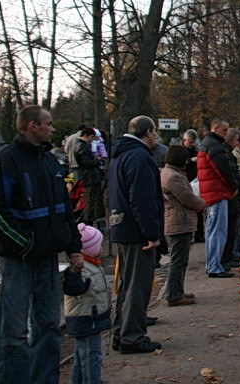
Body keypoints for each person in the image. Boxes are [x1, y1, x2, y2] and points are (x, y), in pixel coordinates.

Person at [0, 105, 84, 384]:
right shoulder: (4, 162)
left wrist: (73, 246)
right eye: (48, 124)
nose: (53, 128)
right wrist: (25, 243)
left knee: (49, 326)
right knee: (13, 332)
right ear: (32, 126)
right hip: (19, 260)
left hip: (47, 258)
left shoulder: (50, 162)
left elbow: (64, 209)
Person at [107, 115, 164, 354]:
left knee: (127, 284)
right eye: (155, 133)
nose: (156, 137)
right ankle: (132, 337)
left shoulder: (120, 155)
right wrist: (151, 233)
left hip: (122, 225)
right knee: (137, 287)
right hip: (136, 231)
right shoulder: (139, 157)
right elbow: (141, 199)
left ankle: (122, 332)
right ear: (148, 131)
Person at [62, 223, 110, 384]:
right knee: (91, 356)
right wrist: (75, 273)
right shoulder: (83, 269)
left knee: (81, 355)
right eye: (100, 245)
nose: (102, 249)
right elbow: (73, 288)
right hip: (86, 319)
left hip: (90, 318)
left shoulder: (94, 265)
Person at [198, 118, 240, 277]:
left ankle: (213, 264)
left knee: (214, 230)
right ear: (216, 128)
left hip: (213, 191)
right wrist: (234, 187)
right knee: (217, 231)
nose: (226, 134)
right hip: (217, 192)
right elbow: (223, 170)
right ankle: (214, 266)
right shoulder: (215, 146)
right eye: (224, 130)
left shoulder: (208, 143)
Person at [161, 145, 206, 306]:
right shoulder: (174, 177)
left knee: (181, 259)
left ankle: (177, 290)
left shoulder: (170, 173)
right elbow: (187, 198)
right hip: (179, 221)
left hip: (179, 220)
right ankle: (173, 294)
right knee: (178, 260)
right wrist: (202, 203)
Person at [75, 127, 104, 225]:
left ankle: (89, 219)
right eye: (91, 137)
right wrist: (97, 161)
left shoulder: (80, 145)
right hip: (90, 176)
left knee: (91, 200)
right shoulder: (82, 146)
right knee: (91, 200)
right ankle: (88, 220)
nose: (92, 140)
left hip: (88, 176)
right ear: (86, 136)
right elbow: (85, 162)